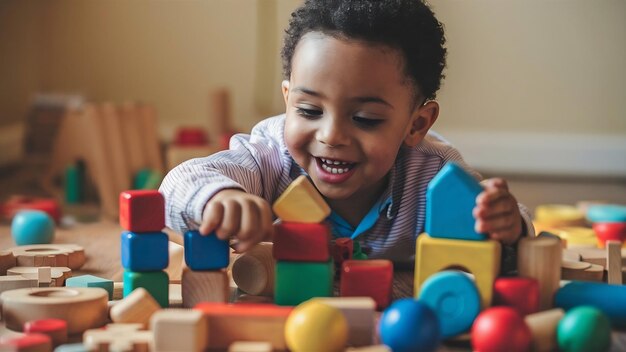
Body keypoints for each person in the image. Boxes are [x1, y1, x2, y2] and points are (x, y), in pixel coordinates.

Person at [159, 0, 534, 267]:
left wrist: (508, 226)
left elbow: (511, 237)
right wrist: (219, 198)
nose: (332, 134)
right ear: (288, 100)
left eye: (366, 118)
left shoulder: (433, 175)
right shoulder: (269, 156)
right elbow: (179, 183)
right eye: (308, 110)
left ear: (416, 124)